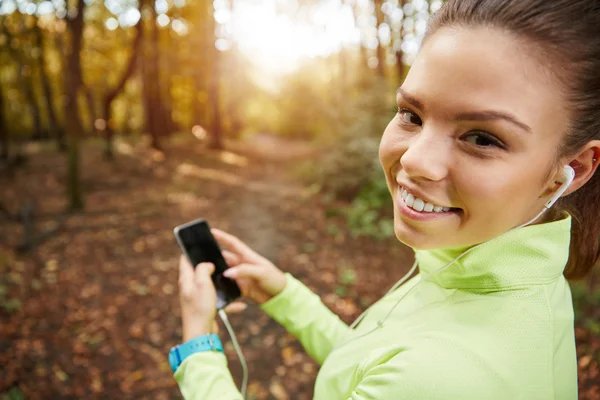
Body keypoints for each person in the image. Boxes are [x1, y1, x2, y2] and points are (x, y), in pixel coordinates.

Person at [172, 0, 600, 398]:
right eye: (412, 115)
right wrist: (286, 296)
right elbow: (373, 366)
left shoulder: (444, 375)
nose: (415, 160)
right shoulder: (503, 273)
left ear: (573, 169)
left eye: (482, 138)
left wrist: (197, 347)